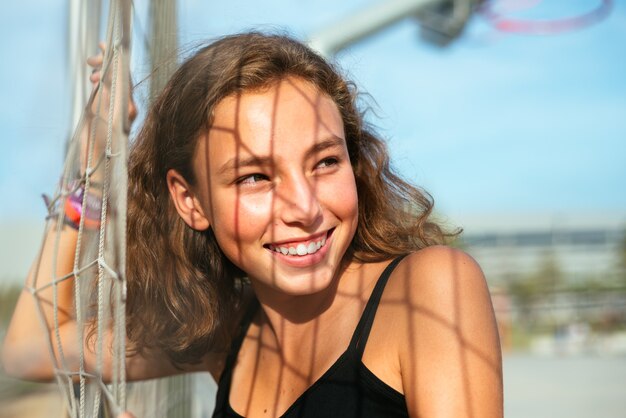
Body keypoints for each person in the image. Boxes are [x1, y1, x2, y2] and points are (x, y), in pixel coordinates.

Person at [2, 32, 503, 417]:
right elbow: (27, 351)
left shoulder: (428, 289)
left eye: (325, 162)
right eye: (255, 177)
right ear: (190, 201)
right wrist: (89, 170)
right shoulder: (226, 332)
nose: (304, 207)